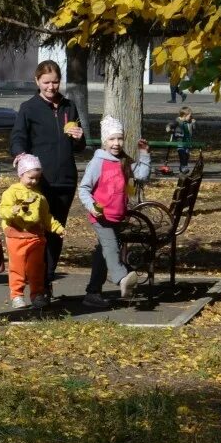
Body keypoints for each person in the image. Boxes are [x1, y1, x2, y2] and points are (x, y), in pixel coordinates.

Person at [8, 60, 85, 300]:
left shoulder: (68, 106)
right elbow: (18, 138)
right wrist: (20, 155)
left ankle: (47, 281)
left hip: (65, 179)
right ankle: (36, 285)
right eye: (46, 82)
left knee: (56, 232)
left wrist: (79, 137)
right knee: (38, 233)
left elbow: (79, 147)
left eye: (55, 82)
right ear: (37, 81)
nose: (51, 87)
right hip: (40, 181)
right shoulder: (29, 108)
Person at [78, 116, 151, 308]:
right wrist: (92, 206)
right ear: (104, 141)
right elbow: (84, 188)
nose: (116, 143)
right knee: (111, 249)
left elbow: (142, 175)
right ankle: (121, 278)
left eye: (119, 139)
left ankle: (92, 293)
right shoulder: (98, 162)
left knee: (103, 253)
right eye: (112, 139)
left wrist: (144, 154)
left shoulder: (124, 161)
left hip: (118, 215)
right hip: (100, 216)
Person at [0, 154, 65, 309]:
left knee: (36, 268)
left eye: (37, 178)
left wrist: (57, 228)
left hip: (35, 236)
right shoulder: (12, 192)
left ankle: (37, 294)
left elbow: (46, 217)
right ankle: (17, 295)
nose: (34, 181)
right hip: (16, 236)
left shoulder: (39, 196)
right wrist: (12, 211)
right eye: (30, 178)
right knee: (17, 267)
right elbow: (2, 211)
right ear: (21, 174)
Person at [169, 106, 195, 172]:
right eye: (190, 116)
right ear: (184, 115)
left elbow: (193, 129)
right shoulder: (178, 121)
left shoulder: (189, 122)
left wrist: (193, 123)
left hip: (187, 141)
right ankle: (183, 167)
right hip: (180, 141)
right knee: (182, 154)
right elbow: (171, 124)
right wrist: (169, 128)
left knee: (186, 155)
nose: (191, 117)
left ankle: (183, 166)